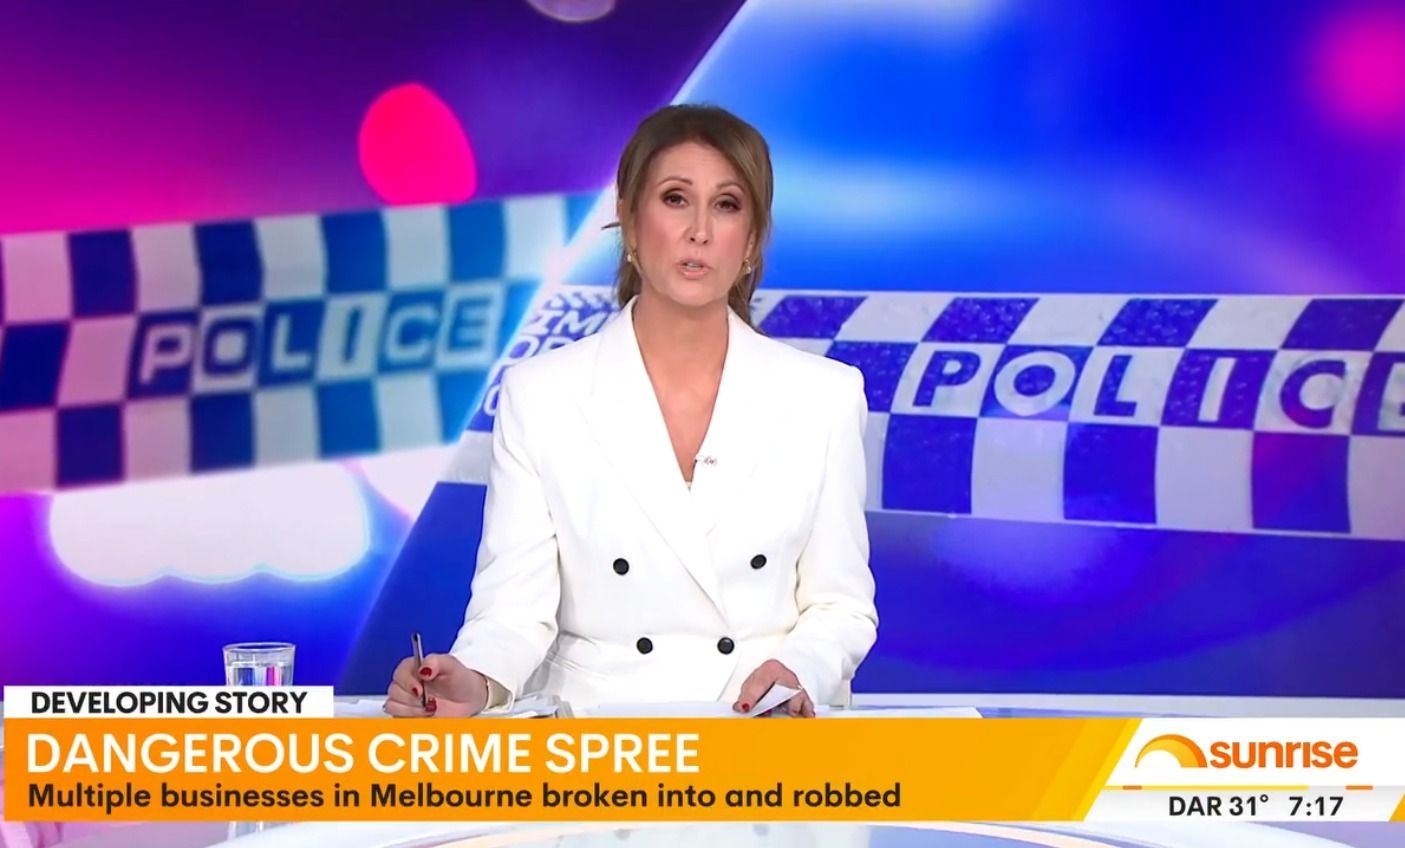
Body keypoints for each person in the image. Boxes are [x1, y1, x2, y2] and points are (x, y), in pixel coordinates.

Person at [384, 104, 876, 718]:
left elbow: (841, 605)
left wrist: (796, 671)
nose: (699, 230)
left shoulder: (822, 396)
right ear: (629, 220)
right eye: (675, 199)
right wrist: (476, 678)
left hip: (759, 735)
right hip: (602, 743)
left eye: (727, 205)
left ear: (751, 241)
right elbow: (512, 611)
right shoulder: (542, 395)